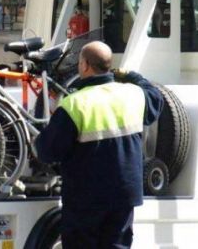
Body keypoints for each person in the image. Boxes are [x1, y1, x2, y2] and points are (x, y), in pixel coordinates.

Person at [35, 41, 164, 249]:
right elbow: (155, 97)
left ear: (85, 65)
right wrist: (132, 76)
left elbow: (48, 152)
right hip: (124, 194)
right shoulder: (133, 95)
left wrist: (37, 140)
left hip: (86, 197)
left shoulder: (75, 104)